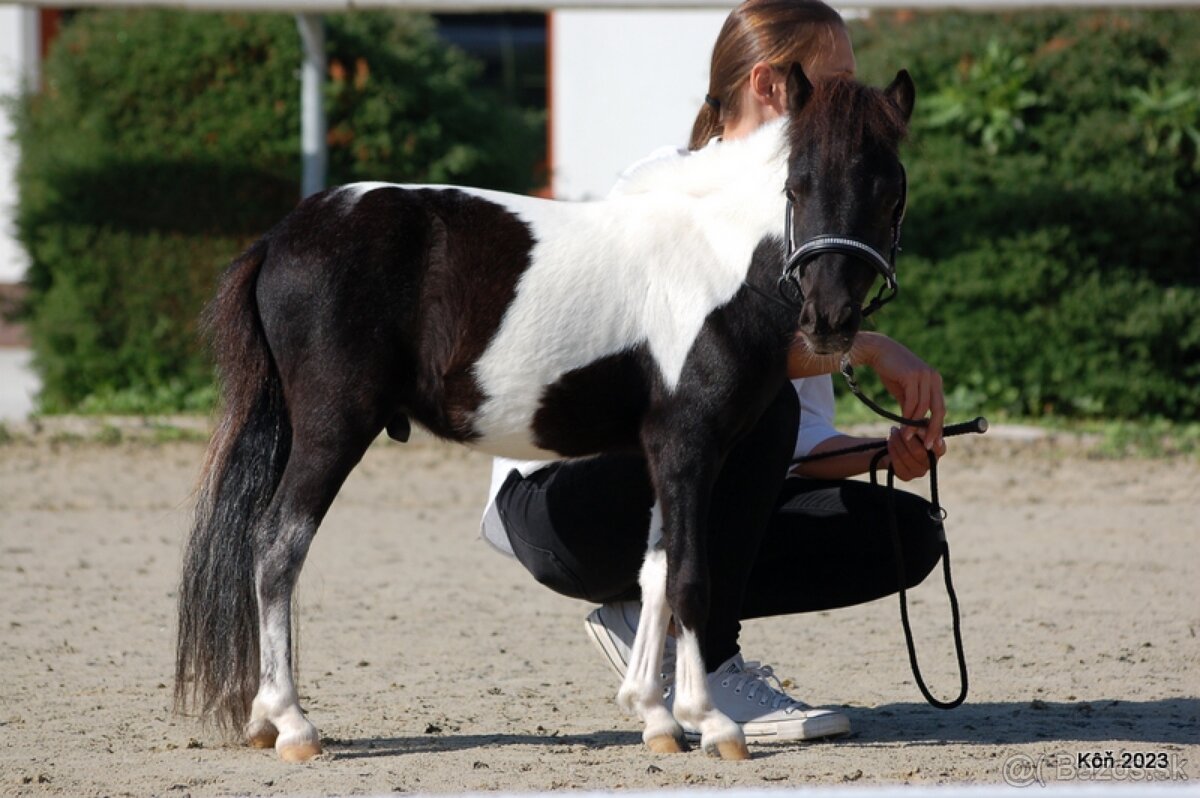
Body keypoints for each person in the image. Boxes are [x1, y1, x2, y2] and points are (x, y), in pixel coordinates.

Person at [478, 0, 948, 743]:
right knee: (754, 392)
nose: (855, 100)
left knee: (905, 534)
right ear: (771, 85)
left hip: (682, 486)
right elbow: (679, 376)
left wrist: (884, 453)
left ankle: (652, 620)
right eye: (839, 81)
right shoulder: (663, 187)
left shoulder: (805, 229)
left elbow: (794, 448)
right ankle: (711, 661)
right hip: (564, 497)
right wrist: (869, 346)